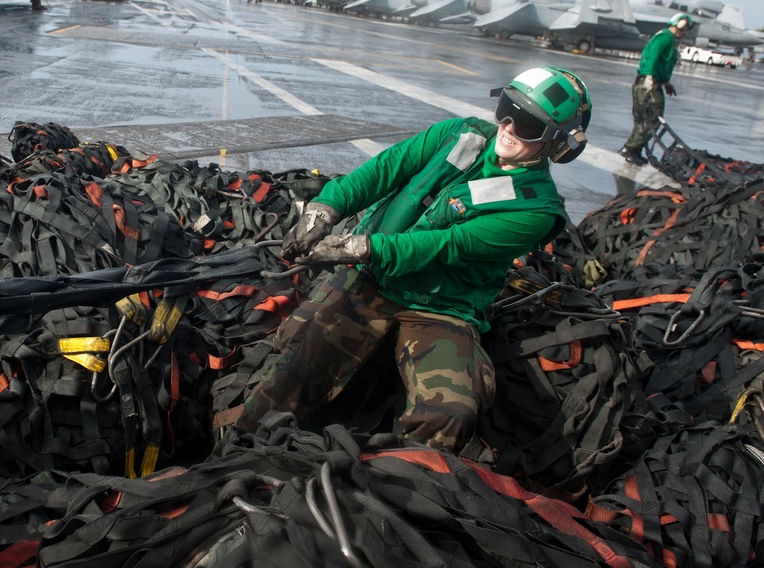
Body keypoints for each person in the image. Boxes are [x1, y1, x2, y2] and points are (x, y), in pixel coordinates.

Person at [234, 67, 591, 451]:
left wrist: (358, 248)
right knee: (290, 373)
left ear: (557, 144)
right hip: (372, 278)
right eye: (507, 109)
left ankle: (393, 479)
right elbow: (386, 168)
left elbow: (449, 245)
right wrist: (325, 208)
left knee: (450, 413)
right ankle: (235, 453)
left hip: (440, 307)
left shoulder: (536, 210)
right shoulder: (460, 134)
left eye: (527, 125)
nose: (507, 127)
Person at [619, 12, 692, 165]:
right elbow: (653, 54)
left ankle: (635, 150)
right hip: (649, 83)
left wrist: (666, 82)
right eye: (686, 28)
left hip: (648, 81)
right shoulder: (665, 38)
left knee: (643, 118)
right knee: (653, 119)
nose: (686, 32)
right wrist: (649, 77)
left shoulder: (666, 37)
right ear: (680, 24)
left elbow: (661, 62)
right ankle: (630, 148)